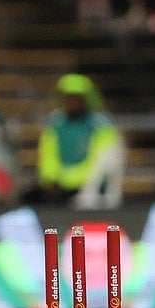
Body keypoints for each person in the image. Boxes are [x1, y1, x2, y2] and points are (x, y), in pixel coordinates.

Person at [30, 73, 125, 210]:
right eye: (68, 97)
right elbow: (48, 158)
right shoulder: (55, 125)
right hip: (61, 187)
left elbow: (100, 162)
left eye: (76, 98)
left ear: (86, 99)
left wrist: (72, 179)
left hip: (93, 187)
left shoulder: (101, 125)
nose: (72, 102)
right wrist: (52, 179)